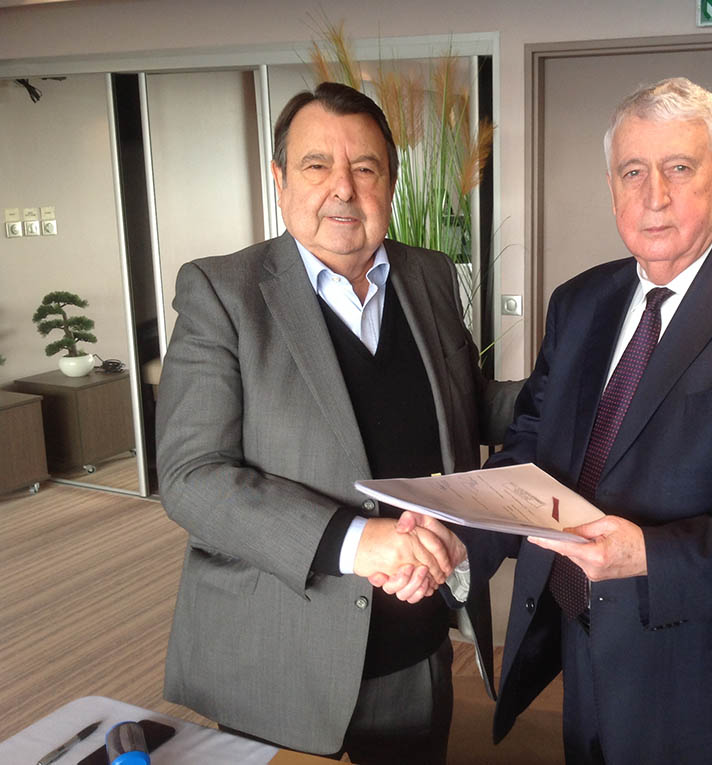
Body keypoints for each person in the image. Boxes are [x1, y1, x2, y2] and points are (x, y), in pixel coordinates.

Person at [464, 77, 712, 764]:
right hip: (584, 650)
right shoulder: (579, 301)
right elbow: (532, 446)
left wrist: (648, 555)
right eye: (633, 172)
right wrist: (456, 534)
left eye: (679, 168)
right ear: (612, 187)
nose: (653, 195)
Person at [155, 81, 519, 763]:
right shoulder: (223, 293)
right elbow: (191, 476)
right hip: (278, 655)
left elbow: (468, 401)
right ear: (280, 179)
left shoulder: (430, 275)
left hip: (415, 642)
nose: (342, 188)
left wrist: (589, 389)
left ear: (391, 182)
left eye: (365, 167)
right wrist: (359, 543)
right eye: (317, 164)